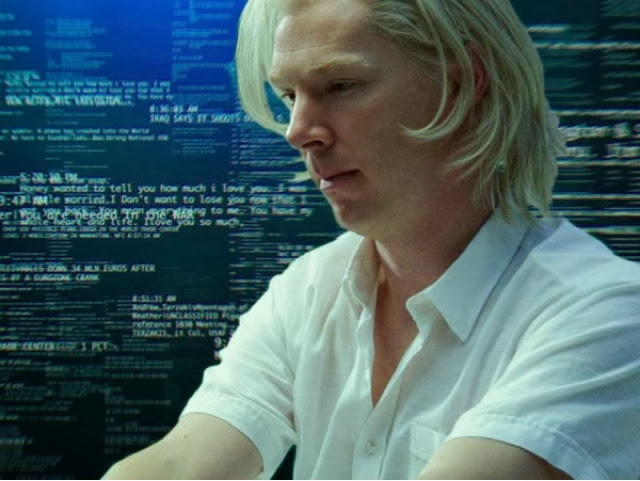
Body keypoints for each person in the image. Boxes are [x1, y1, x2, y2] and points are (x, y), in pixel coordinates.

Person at [103, 0, 640, 478]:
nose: (297, 130)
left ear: (463, 84)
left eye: (340, 86)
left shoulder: (606, 314)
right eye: (288, 94)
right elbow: (184, 463)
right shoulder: (308, 289)